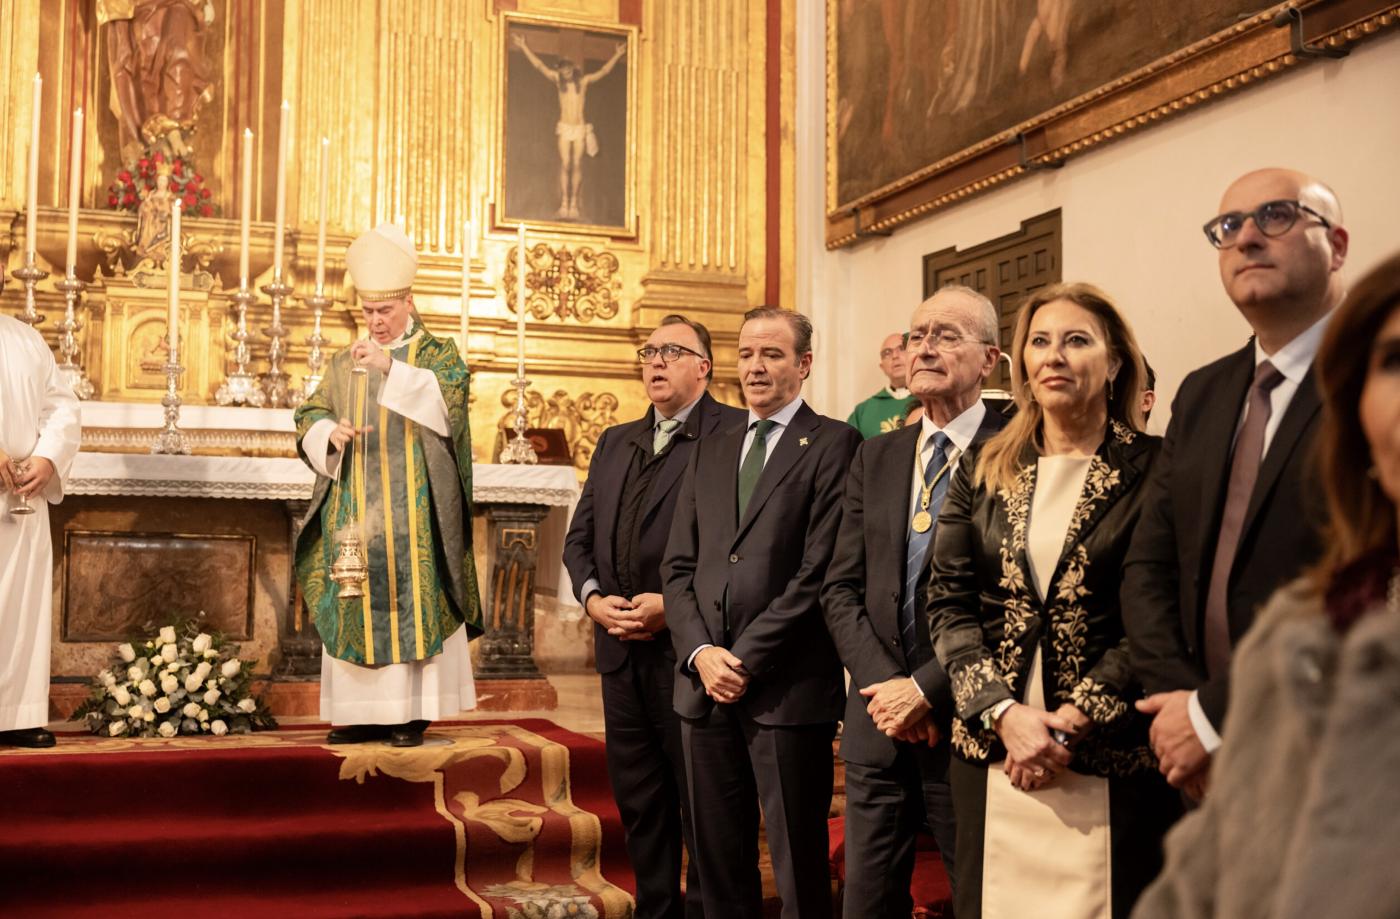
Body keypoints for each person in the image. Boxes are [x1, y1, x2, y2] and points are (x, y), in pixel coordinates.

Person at [1132, 251, 1400, 919]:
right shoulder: (1309, 619)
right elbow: (1150, 566)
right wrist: (1190, 713)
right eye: (1394, 363)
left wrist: (1213, 717)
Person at [927, 283, 1179, 918]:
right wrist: (1003, 714)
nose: (1054, 357)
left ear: (1116, 361)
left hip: (1108, 754)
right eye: (1039, 342)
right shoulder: (984, 465)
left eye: (1076, 340)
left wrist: (1070, 722)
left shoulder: (1158, 469)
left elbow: (1157, 612)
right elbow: (949, 602)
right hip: (994, 755)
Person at [1123, 169, 1347, 799]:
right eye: (1228, 227)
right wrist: (1178, 705)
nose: (1247, 237)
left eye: (1276, 216)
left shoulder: (1377, 375)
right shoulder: (1205, 391)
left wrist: (1216, 715)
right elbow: (1150, 563)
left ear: (1338, 245)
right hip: (1200, 761)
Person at [663, 307, 861, 919]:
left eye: (772, 354)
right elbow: (679, 567)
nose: (755, 366)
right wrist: (701, 653)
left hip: (786, 690)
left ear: (803, 364)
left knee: (798, 865)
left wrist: (743, 658)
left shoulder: (834, 443)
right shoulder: (713, 444)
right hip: (703, 688)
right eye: (747, 353)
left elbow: (819, 573)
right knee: (717, 867)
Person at [821, 286, 1007, 916]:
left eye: (947, 335)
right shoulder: (877, 453)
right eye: (917, 334)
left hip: (970, 722)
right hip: (879, 726)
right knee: (866, 904)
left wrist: (927, 689)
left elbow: (1012, 598)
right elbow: (840, 587)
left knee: (980, 900)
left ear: (990, 359)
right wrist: (887, 689)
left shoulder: (1019, 450)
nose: (924, 347)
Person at [563, 314, 743, 919]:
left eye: (672, 351)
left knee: (702, 806)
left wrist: (674, 607)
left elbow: (738, 544)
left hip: (689, 654)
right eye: (648, 351)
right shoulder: (618, 439)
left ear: (705, 366)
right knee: (640, 801)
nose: (655, 362)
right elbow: (578, 538)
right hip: (619, 651)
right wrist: (592, 599)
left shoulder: (736, 433)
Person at [293, 223, 482, 748]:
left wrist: (391, 369)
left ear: (408, 303)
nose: (375, 323)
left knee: (410, 599)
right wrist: (329, 431)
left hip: (413, 516)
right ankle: (361, 712)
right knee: (355, 598)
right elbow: (309, 411)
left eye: (386, 312)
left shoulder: (438, 355)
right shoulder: (341, 361)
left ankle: (409, 713)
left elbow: (452, 409)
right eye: (368, 313)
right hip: (355, 511)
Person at [0, 271, 82, 749]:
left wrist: (48, 459)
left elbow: (62, 408)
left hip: (21, 501)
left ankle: (18, 713)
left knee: (22, 607)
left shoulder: (26, 339)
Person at [512, 33, 627, 220]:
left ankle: (574, 204)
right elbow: (539, 66)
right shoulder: (559, 82)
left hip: (579, 128)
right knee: (565, 165)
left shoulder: (583, 82)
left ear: (572, 69)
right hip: (565, 128)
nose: (565, 73)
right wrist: (524, 46)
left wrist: (617, 54)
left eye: (567, 70)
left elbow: (604, 71)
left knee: (577, 164)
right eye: (562, 71)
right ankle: (564, 204)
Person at [847, 331, 918, 438]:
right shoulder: (863, 411)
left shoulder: (928, 401)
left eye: (902, 349)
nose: (895, 356)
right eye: (887, 353)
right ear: (882, 367)